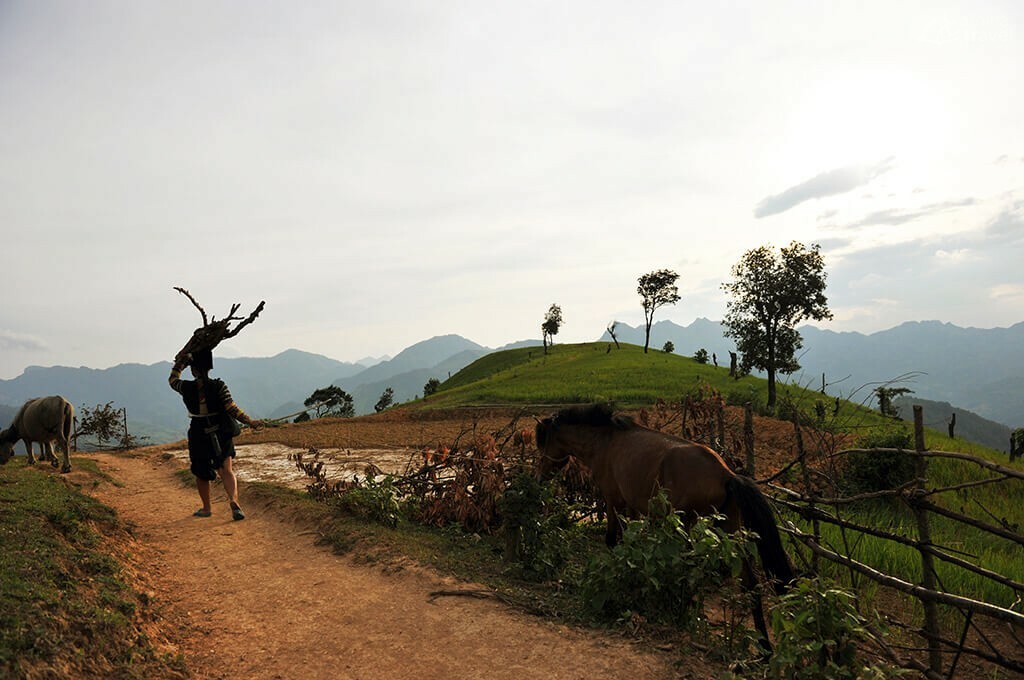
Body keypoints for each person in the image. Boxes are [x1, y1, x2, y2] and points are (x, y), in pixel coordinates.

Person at [168, 348, 261, 520]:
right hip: (221, 429)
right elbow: (231, 408)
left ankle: (206, 508)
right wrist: (250, 422)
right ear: (209, 368)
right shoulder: (219, 386)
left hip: (198, 430)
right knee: (226, 469)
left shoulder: (186, 387)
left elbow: (172, 380)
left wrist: (180, 364)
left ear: (193, 369)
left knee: (201, 471)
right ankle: (234, 502)